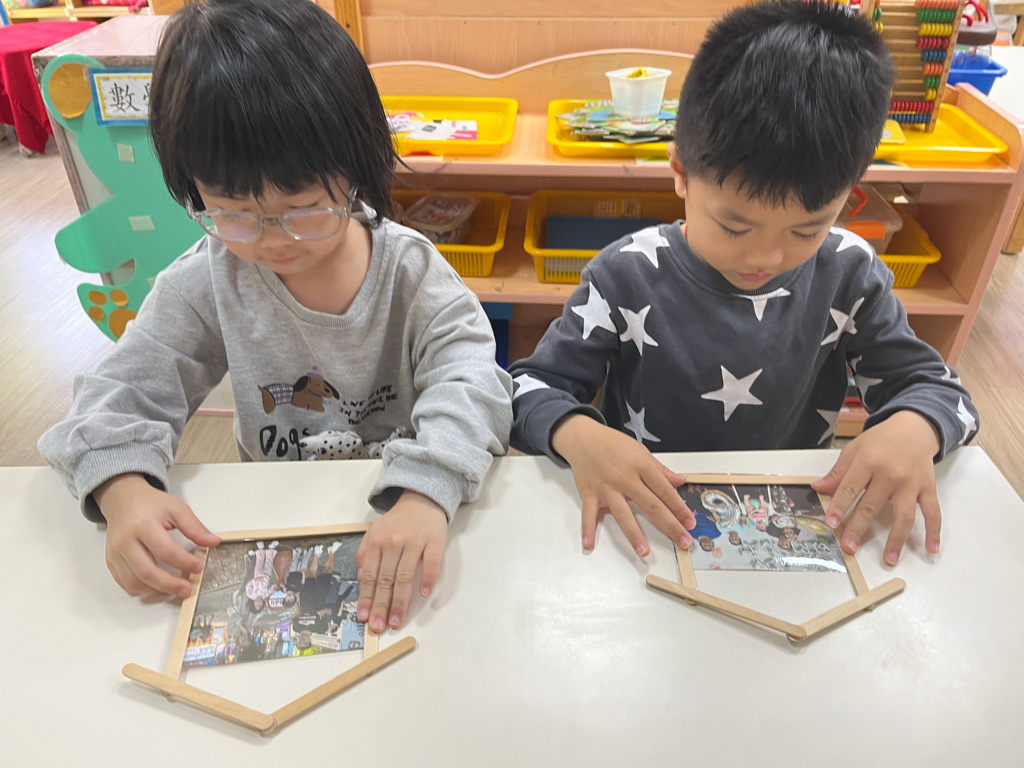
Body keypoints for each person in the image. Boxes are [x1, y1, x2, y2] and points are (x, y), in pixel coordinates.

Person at [37, 0, 513, 635]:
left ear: (357, 165)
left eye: (304, 209)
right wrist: (123, 488)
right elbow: (117, 395)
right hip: (272, 521)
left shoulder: (411, 272)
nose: (272, 239)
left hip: (401, 511)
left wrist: (428, 487)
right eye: (233, 213)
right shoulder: (209, 277)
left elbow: (474, 378)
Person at [509, 0, 979, 568]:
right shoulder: (624, 274)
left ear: (850, 196)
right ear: (680, 174)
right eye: (733, 226)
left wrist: (915, 426)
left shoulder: (850, 273)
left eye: (807, 229)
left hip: (781, 532)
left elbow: (946, 395)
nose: (766, 257)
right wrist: (577, 432)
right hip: (645, 528)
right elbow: (525, 389)